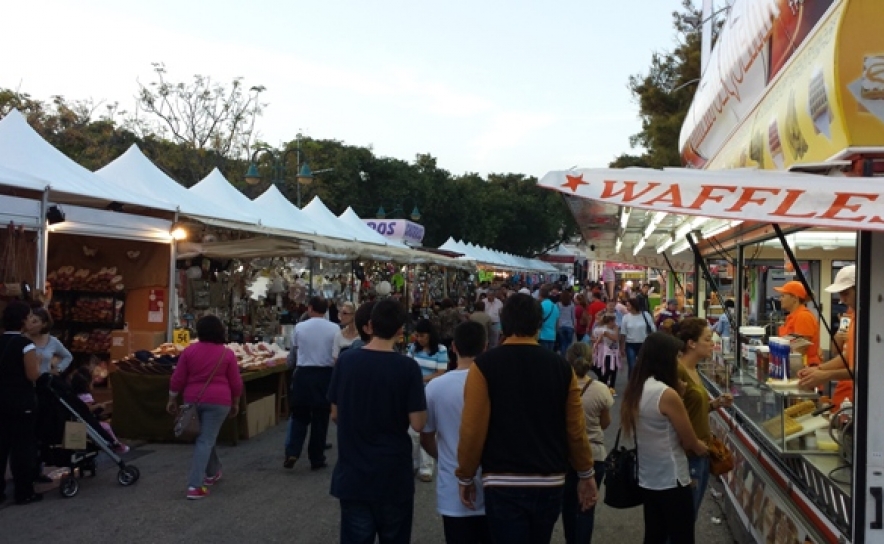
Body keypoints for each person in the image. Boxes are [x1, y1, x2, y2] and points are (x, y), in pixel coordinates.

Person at [456, 293, 598, 544]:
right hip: (549, 477)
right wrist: (586, 472)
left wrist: (466, 475)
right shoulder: (560, 367)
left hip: (501, 479)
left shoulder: (484, 366)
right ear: (538, 324)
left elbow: (472, 429)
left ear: (504, 322)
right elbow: (575, 429)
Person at [328, 299, 427, 544]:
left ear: (370, 325)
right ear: (400, 330)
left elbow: (334, 414)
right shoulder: (407, 368)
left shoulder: (347, 361)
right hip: (393, 474)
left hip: (353, 473)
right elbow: (418, 423)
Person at [620, 332, 708, 543]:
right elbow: (689, 440)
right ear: (664, 359)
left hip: (648, 476)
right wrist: (702, 448)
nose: (678, 361)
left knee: (655, 533)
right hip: (672, 477)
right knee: (682, 535)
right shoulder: (667, 394)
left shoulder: (637, 388)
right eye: (675, 356)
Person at [420, 321, 491, 544]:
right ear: (485, 347)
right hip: (492, 484)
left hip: (452, 484)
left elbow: (426, 436)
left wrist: (444, 458)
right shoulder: (494, 384)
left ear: (453, 347)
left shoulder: (436, 387)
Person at [167, 315, 242, 500]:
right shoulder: (227, 354)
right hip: (219, 401)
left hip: (193, 399)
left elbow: (178, 378)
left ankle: (213, 471)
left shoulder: (189, 351)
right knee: (206, 439)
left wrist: (171, 398)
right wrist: (236, 402)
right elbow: (236, 382)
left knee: (204, 438)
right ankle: (195, 485)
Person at [676, 318, 734, 519]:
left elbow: (691, 409)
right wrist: (694, 443)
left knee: (688, 517)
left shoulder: (694, 369)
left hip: (698, 450)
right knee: (683, 519)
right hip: (689, 453)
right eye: (707, 339)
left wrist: (714, 404)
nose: (713, 343)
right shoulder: (680, 371)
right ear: (691, 343)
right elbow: (674, 415)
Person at [561, 342, 613, 544]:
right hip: (594, 453)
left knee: (568, 505)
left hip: (565, 453)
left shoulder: (561, 385)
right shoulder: (600, 389)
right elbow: (606, 423)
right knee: (586, 506)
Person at [284, 296, 341, 470]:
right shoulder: (334, 328)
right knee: (320, 418)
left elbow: (294, 352)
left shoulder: (300, 327)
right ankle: (316, 457)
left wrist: (291, 366)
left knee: (299, 414)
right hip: (325, 374)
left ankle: (293, 451)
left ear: (310, 308)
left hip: (304, 373)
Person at [0, 301, 42, 505]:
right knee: (21, 448)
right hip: (20, 401)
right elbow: (32, 374)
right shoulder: (25, 345)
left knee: (1, 445)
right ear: (23, 321)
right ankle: (24, 491)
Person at [798, 266, 857, 407]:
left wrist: (827, 375)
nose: (842, 300)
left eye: (845, 293)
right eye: (840, 294)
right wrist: (819, 369)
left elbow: (864, 370)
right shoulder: (853, 318)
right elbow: (844, 357)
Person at [407, 319, 449, 482]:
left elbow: (441, 371)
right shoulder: (413, 348)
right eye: (417, 335)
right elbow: (408, 366)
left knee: (428, 429)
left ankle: (426, 467)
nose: (419, 339)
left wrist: (422, 379)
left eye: (422, 336)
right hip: (415, 393)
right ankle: (412, 463)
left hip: (431, 393)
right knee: (412, 432)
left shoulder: (440, 350)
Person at [69, 360, 129, 454]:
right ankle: (114, 444)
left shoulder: (74, 395)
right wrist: (99, 406)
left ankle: (114, 443)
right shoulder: (85, 396)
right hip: (87, 423)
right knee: (106, 427)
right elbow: (87, 408)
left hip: (80, 421)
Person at [774, 281, 821, 366]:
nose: (780, 299)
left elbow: (801, 349)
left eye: (783, 296)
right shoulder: (792, 316)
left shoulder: (803, 316)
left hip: (804, 369)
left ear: (795, 298)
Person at [23, 308, 72, 375]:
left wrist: (59, 369)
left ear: (44, 324)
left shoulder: (52, 341)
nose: (30, 324)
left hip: (44, 382)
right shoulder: (21, 339)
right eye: (29, 321)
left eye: (35, 322)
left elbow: (68, 356)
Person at [621, 298, 655, 378]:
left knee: (644, 365)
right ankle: (632, 384)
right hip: (630, 343)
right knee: (632, 366)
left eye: (628, 306)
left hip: (644, 343)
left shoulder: (645, 315)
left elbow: (653, 328)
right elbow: (623, 332)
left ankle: (642, 382)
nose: (627, 308)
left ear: (634, 306)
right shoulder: (626, 317)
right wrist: (622, 347)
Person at [592, 315, 621, 395]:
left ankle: (611, 387)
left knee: (614, 370)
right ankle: (603, 385)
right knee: (608, 370)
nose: (615, 323)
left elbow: (615, 338)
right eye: (613, 322)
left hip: (614, 352)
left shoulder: (612, 329)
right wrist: (596, 346)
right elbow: (614, 338)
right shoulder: (605, 330)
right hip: (608, 353)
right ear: (609, 322)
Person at [538, 284, 560, 351]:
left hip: (542, 336)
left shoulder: (541, 306)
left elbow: (538, 320)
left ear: (540, 295)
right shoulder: (555, 306)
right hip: (552, 336)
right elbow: (557, 324)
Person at [557, 290, 577, 357]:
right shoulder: (572, 305)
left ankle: (563, 357)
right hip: (570, 326)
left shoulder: (558, 304)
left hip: (561, 326)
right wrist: (574, 326)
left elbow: (557, 316)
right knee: (569, 343)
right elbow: (573, 317)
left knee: (563, 343)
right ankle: (568, 357)